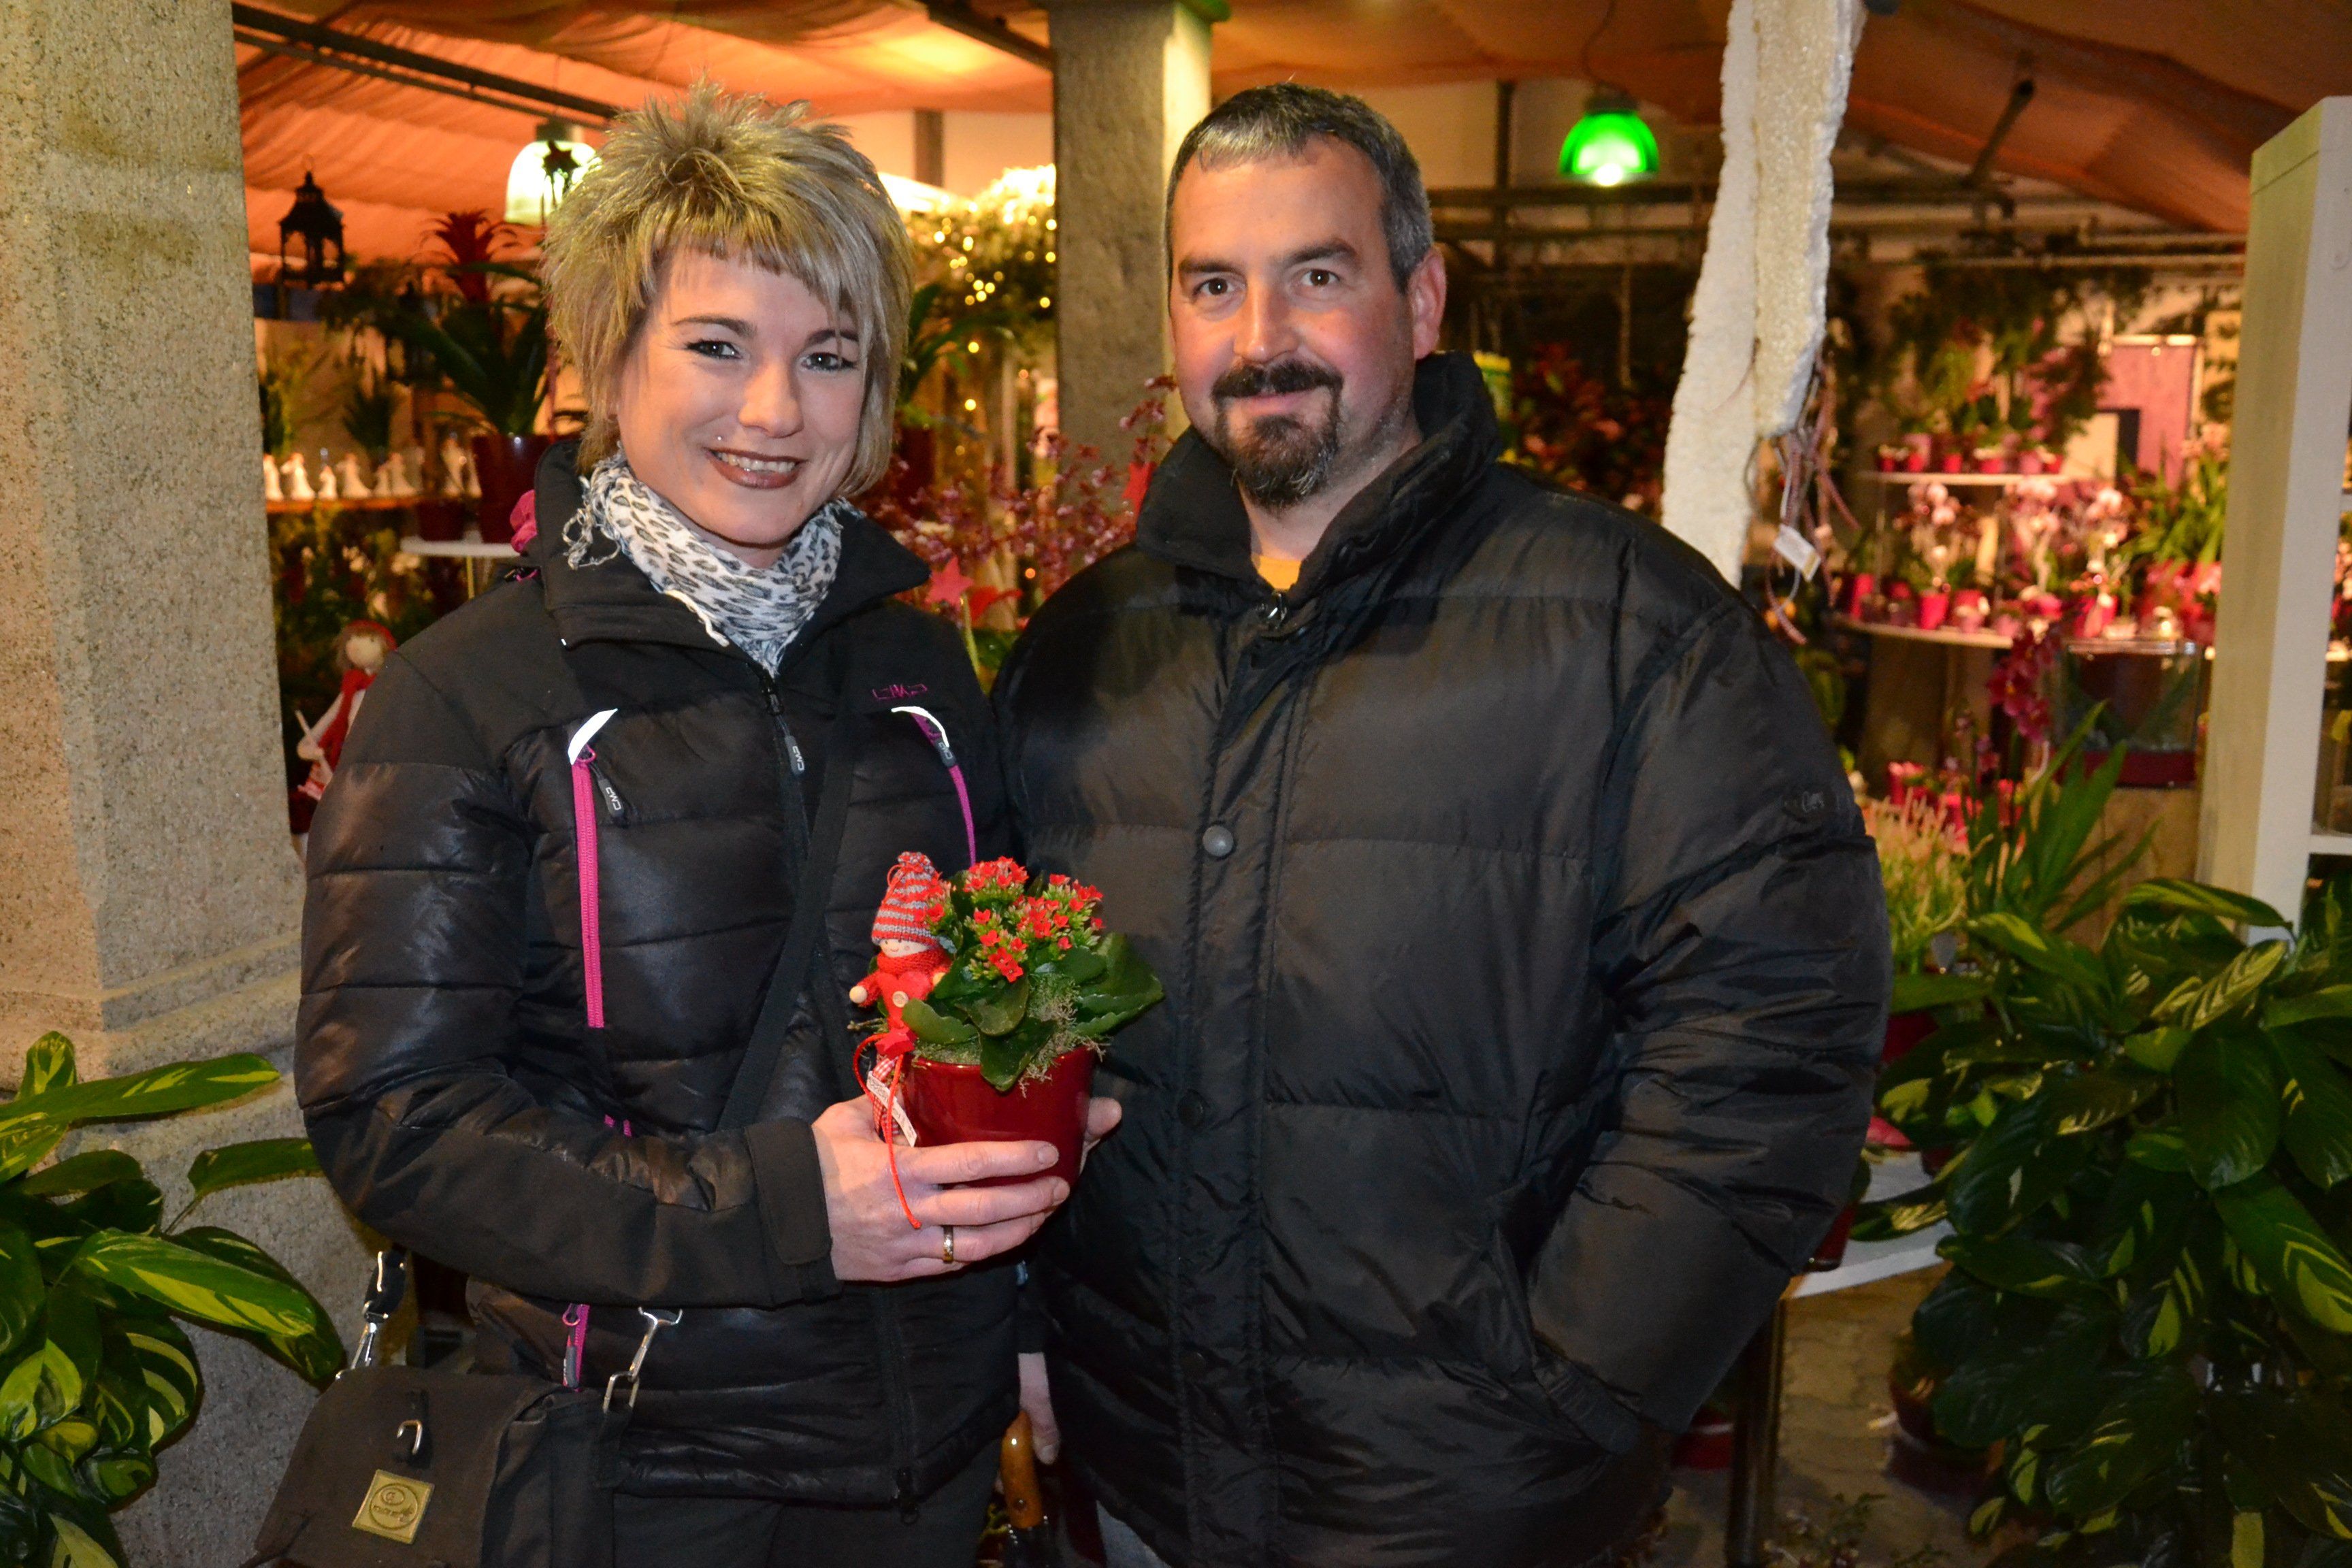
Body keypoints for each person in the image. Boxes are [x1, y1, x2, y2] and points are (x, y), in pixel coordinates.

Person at [994, 84, 1889, 1567]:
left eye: (1316, 274)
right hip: (1145, 1480)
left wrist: (1574, 1389)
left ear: (1420, 302)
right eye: (1213, 285)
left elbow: (1773, 1037)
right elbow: (1002, 1021)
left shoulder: (1629, 628)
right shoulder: (1084, 650)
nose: (1260, 335)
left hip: (1475, 1506)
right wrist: (1027, 1318)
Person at [297, 85, 1107, 1565]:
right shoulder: (470, 695)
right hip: (640, 1474)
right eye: (718, 346)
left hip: (927, 1461)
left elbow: (997, 1000)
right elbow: (395, 1121)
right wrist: (784, 1209)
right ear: (610, 357)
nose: (775, 412)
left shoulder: (919, 669)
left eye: (828, 356)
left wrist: (1031, 1281)